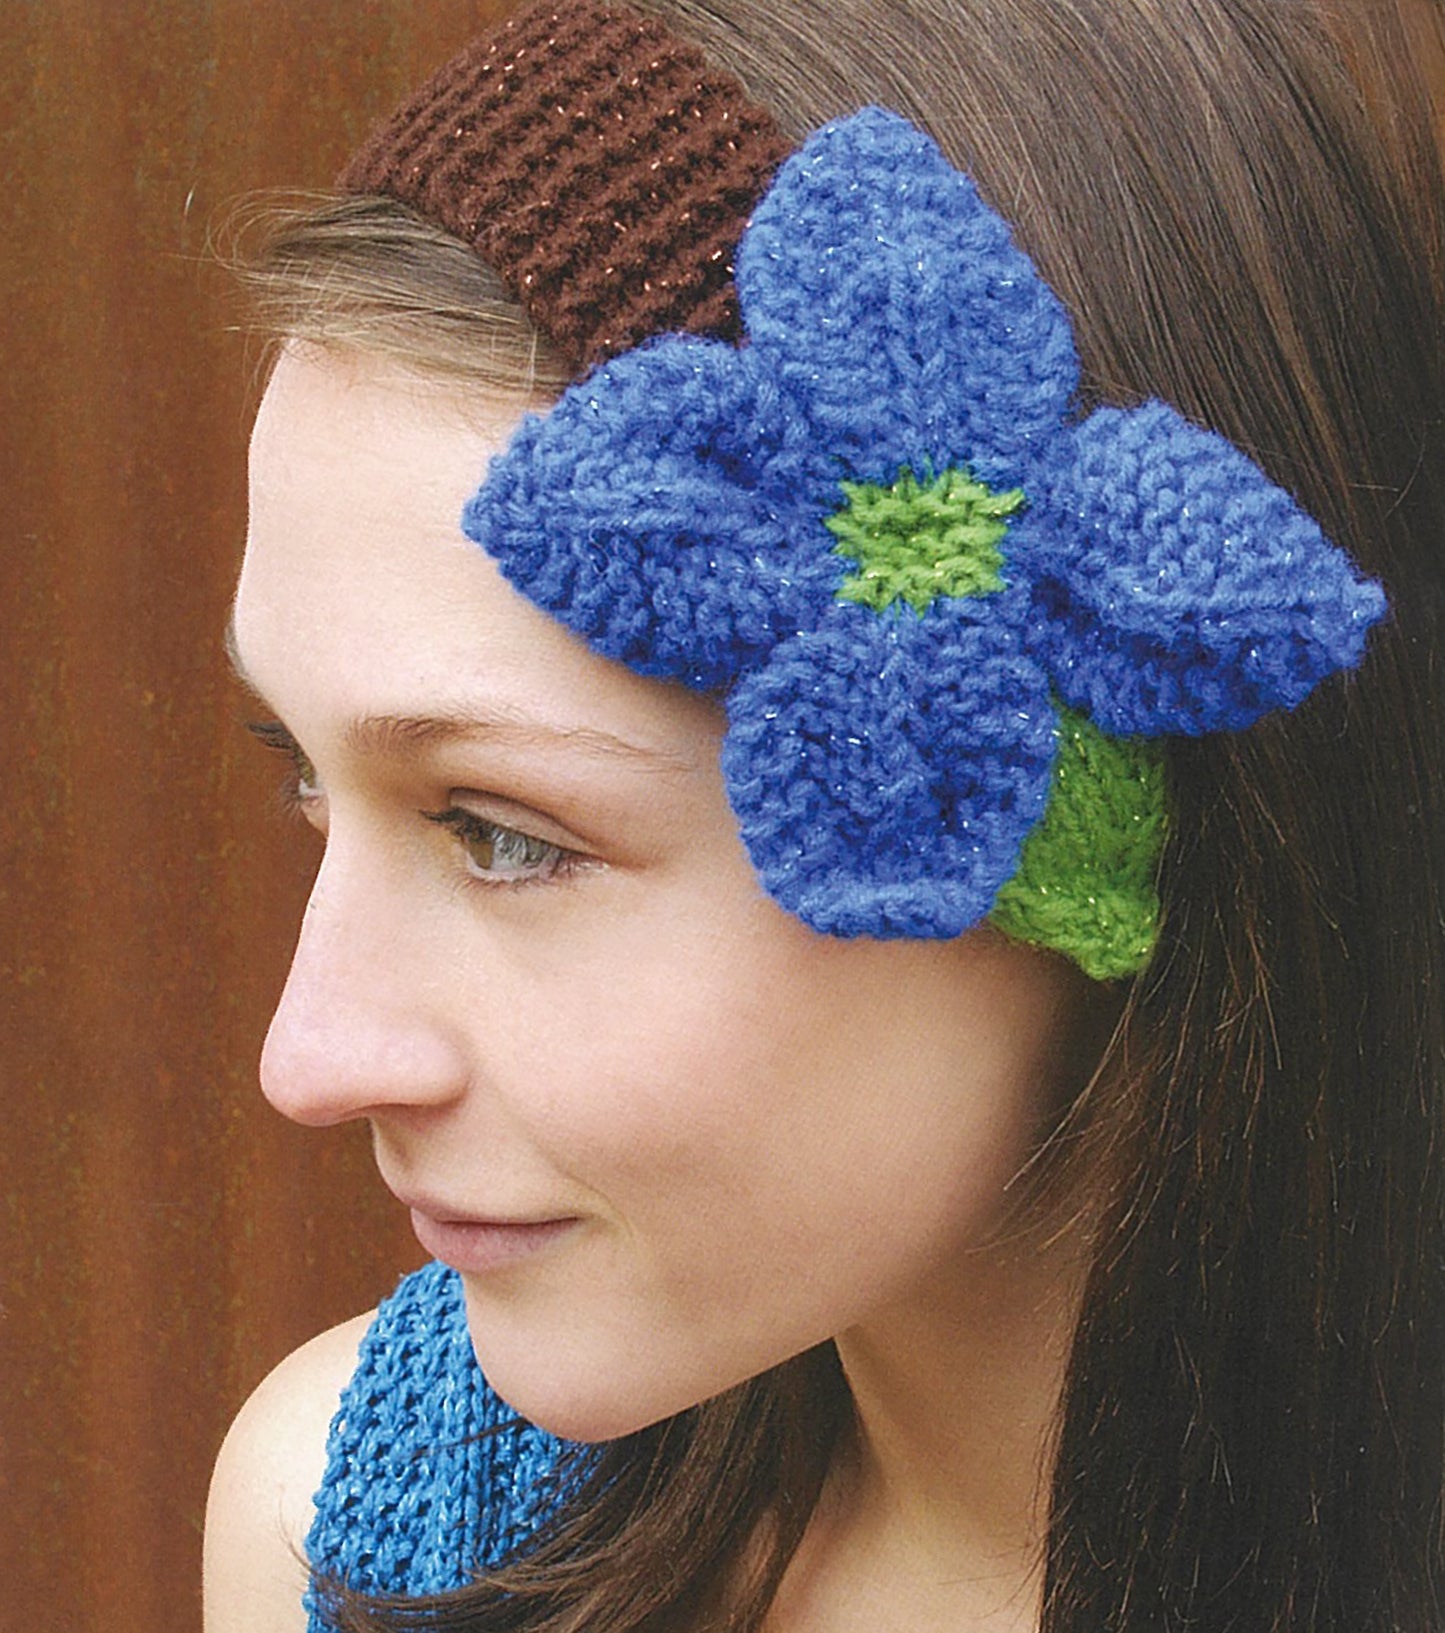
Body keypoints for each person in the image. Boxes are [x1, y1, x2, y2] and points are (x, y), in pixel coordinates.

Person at [202, 1, 1445, 1629]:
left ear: (1034, 788)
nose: (307, 1056)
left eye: (501, 831)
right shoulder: (363, 1534)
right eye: (305, 777)